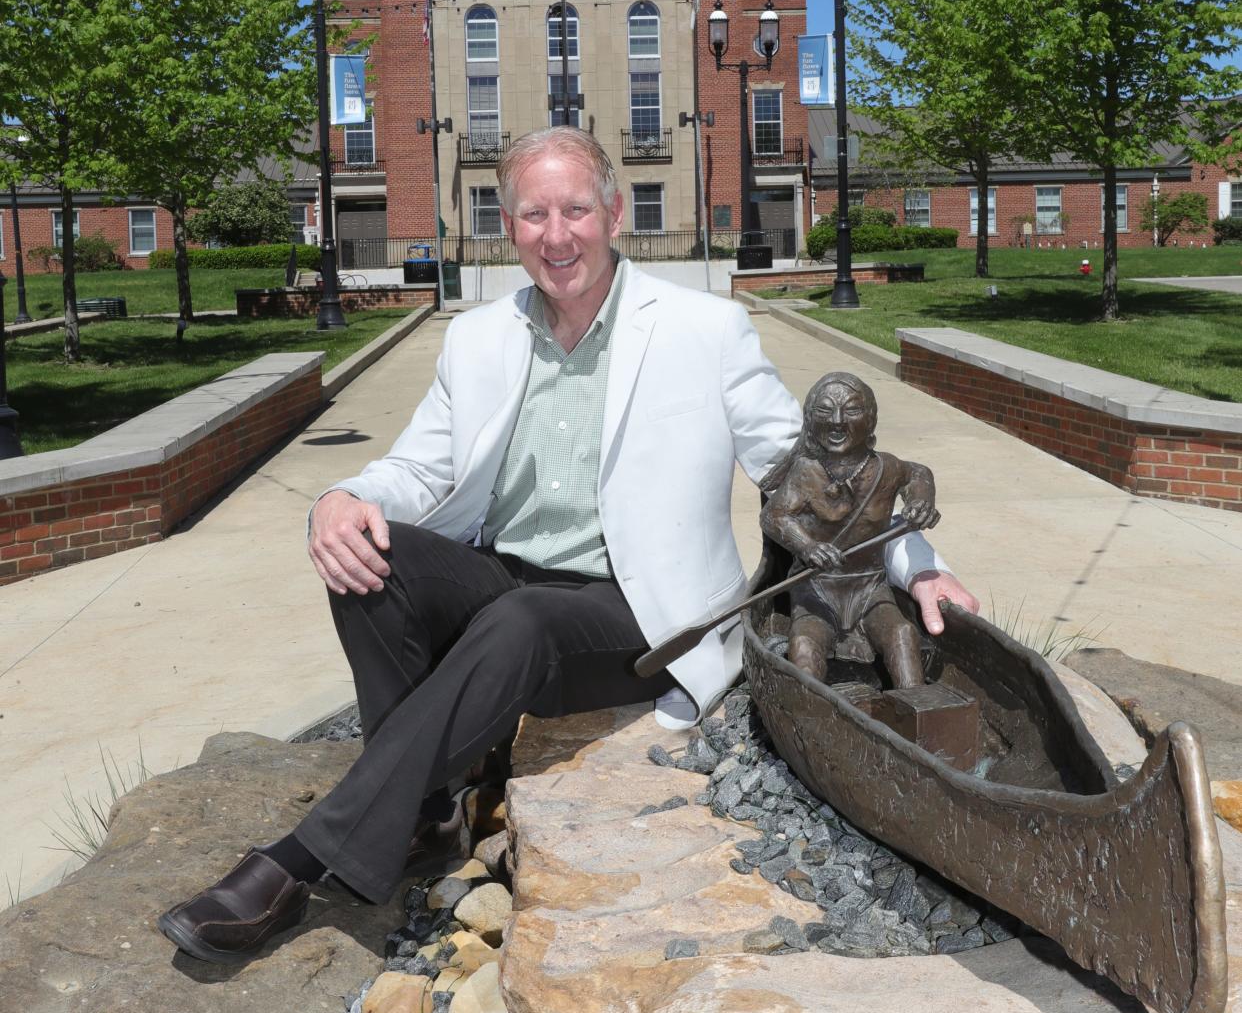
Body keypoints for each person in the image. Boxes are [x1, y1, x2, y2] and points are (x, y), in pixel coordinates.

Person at [157, 127, 978, 963]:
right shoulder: (478, 338)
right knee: (370, 566)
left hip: (634, 612)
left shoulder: (705, 330)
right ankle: (428, 813)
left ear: (613, 211)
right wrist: (341, 499)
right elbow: (416, 467)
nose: (558, 236)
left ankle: (298, 861)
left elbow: (815, 476)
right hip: (505, 575)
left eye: (576, 209)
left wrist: (923, 571)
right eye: (534, 214)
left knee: (521, 623)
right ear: (507, 225)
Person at [760, 371, 940, 689]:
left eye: (852, 410)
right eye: (825, 410)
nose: (838, 421)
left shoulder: (886, 468)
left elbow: (918, 474)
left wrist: (921, 501)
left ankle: (918, 709)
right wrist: (807, 547)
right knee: (803, 645)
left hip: (870, 587)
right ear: (811, 420)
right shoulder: (805, 472)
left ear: (869, 419)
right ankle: (810, 718)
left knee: (902, 634)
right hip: (816, 589)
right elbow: (773, 517)